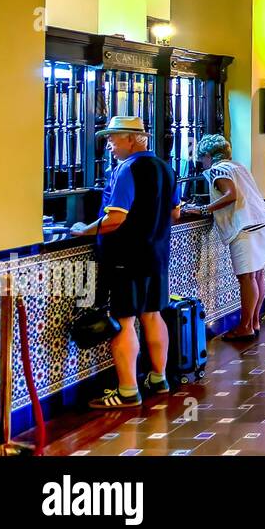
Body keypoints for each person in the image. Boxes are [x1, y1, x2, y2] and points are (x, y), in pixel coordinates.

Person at [70, 117, 178, 409]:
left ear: (132, 139)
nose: (109, 145)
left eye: (113, 138)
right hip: (157, 256)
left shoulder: (128, 169)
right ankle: (159, 378)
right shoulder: (166, 168)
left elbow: (116, 218)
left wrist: (84, 229)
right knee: (153, 315)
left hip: (126, 259)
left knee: (124, 320)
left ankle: (128, 390)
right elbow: (175, 214)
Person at [181, 134, 265, 341]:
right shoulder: (238, 166)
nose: (201, 162)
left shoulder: (218, 169)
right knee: (258, 276)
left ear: (208, 155)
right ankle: (254, 322)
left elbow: (230, 194)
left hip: (246, 227)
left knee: (247, 278)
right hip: (264, 222)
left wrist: (204, 209)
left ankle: (245, 327)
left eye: (202, 158)